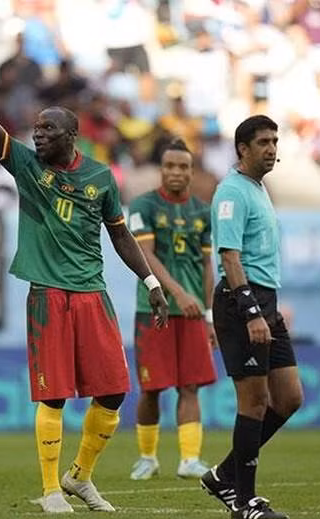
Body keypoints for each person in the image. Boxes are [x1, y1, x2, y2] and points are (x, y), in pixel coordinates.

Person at [0, 25, 169, 514]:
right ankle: (49, 491)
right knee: (56, 396)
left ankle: (79, 477)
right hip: (48, 294)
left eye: (47, 129)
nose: (37, 134)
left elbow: (120, 234)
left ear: (71, 136)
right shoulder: (26, 166)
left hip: (92, 292)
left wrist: (150, 281)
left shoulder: (100, 177)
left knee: (114, 391)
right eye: (36, 128)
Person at [201, 115, 303, 519]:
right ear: (242, 149)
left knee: (290, 398)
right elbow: (229, 256)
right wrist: (252, 312)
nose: (272, 148)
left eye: (275, 141)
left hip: (265, 302)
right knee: (255, 402)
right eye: (263, 141)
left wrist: (269, 308)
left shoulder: (258, 189)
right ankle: (244, 500)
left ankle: (224, 474)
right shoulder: (231, 193)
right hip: (241, 303)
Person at [127, 137, 217, 481]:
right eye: (170, 166)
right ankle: (147, 457)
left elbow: (208, 267)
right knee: (151, 387)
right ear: (160, 169)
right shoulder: (143, 206)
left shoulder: (203, 213)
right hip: (155, 309)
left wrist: (209, 316)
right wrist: (178, 293)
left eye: (183, 166)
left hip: (194, 312)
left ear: (192, 172)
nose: (176, 172)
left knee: (190, 386)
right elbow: (146, 255)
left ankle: (189, 460)